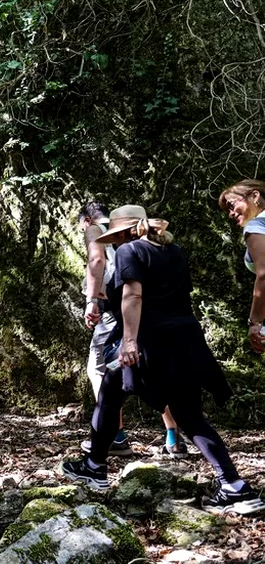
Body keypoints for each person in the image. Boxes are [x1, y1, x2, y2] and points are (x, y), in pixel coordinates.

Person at [60, 206, 263, 515]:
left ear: (126, 233)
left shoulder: (130, 250)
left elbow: (134, 296)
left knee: (111, 392)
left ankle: (94, 466)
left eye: (114, 237)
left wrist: (128, 341)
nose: (113, 243)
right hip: (185, 340)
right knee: (189, 414)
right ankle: (234, 486)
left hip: (148, 343)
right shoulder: (173, 250)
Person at [79, 202, 184, 457]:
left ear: (86, 220)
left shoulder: (94, 230)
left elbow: (96, 260)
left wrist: (91, 300)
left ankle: (115, 435)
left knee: (100, 368)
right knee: (152, 370)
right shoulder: (151, 241)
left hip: (116, 305)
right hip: (149, 310)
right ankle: (174, 436)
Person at [217, 179, 265, 354]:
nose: (230, 213)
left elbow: (264, 274)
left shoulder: (256, 226)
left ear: (254, 196)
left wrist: (255, 322)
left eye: (232, 205)